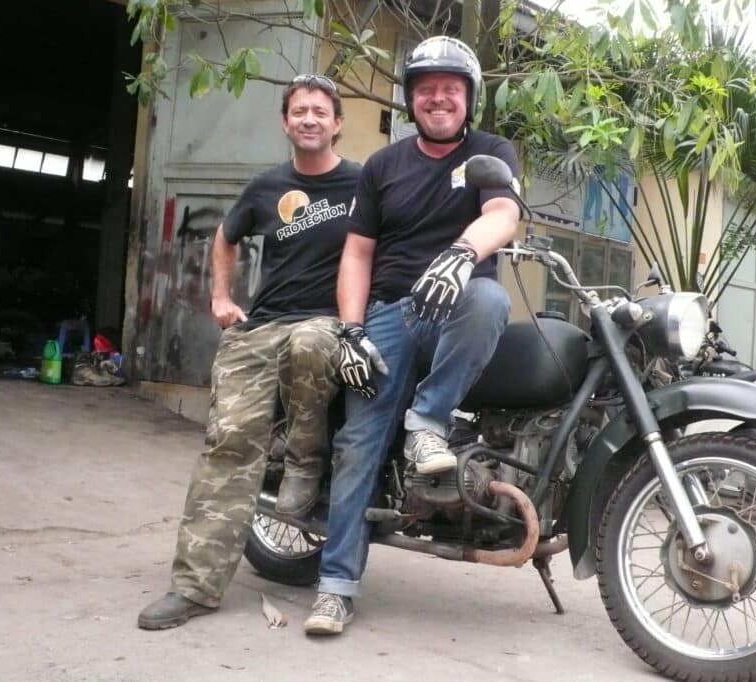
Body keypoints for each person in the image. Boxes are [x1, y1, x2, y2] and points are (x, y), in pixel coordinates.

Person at [303, 36, 521, 635]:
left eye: (451, 89)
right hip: (389, 315)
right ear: (411, 99)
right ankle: (335, 587)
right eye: (426, 89)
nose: (438, 99)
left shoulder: (490, 152)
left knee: (489, 296)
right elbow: (357, 254)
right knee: (359, 443)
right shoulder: (383, 166)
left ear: (469, 99)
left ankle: (427, 423)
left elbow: (503, 213)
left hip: (455, 309)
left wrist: (461, 255)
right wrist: (351, 331)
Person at [138, 74, 361, 630]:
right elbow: (225, 237)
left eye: (320, 111)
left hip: (328, 324)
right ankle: (195, 586)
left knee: (311, 341)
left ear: (337, 123)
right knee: (228, 442)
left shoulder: (363, 184)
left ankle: (306, 462)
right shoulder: (266, 187)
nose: (309, 119)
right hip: (262, 326)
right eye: (299, 111)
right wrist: (220, 297)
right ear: (285, 123)